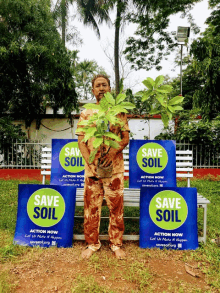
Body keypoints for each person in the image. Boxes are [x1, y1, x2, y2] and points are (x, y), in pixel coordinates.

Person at [76, 74, 130, 259]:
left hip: (114, 169)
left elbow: (125, 138)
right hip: (92, 170)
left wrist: (114, 152)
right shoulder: (86, 113)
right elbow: (81, 141)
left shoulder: (119, 111)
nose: (101, 88)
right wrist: (90, 160)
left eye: (104, 85)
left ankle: (116, 244)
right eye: (97, 85)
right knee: (91, 208)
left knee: (116, 208)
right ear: (93, 90)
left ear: (109, 89)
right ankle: (92, 244)